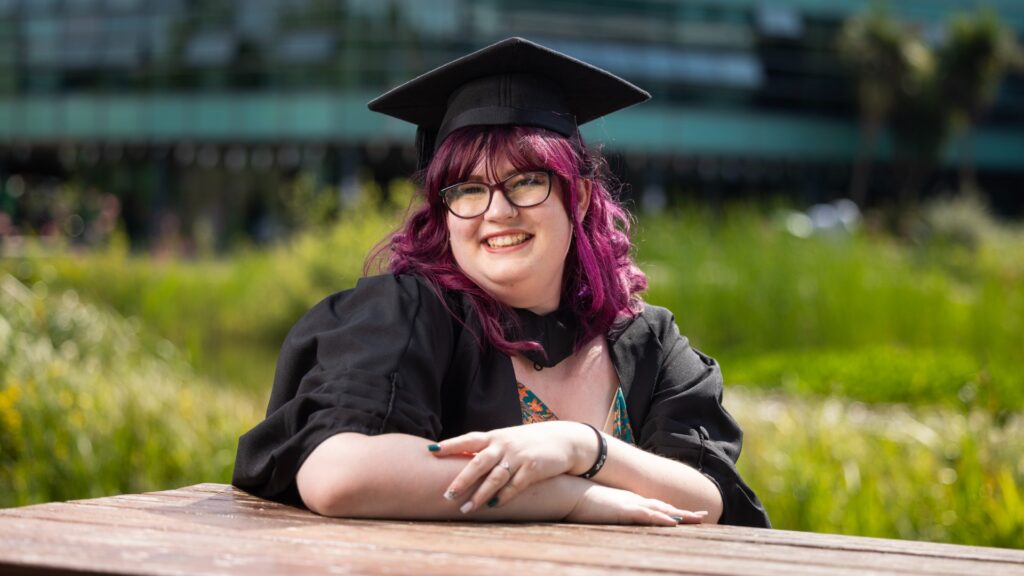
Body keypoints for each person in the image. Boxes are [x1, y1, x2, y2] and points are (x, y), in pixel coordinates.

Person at [233, 37, 770, 528]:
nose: (498, 211)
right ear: (444, 212)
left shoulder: (647, 344)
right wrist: (569, 499)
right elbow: (340, 474)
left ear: (578, 197)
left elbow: (706, 499)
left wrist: (581, 446)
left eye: (527, 181)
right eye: (468, 189)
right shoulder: (410, 316)